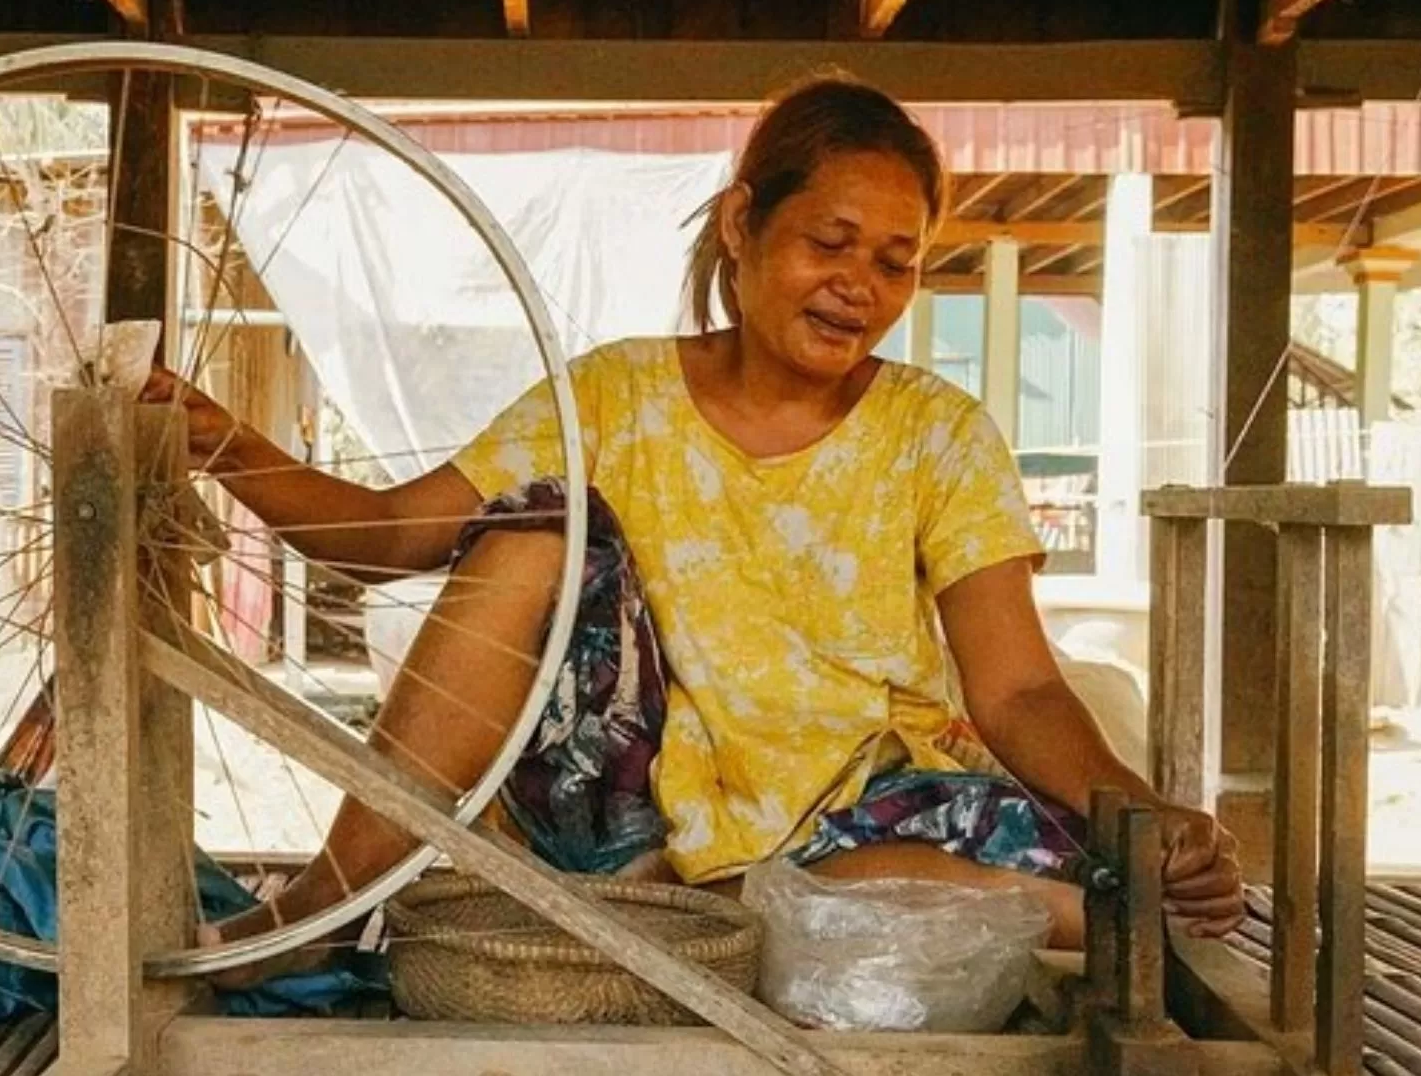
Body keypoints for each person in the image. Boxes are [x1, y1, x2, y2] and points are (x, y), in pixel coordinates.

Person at [144, 70, 1245, 987]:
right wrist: (221, 438)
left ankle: (763, 904)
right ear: (741, 224)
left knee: (1112, 900)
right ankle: (332, 903)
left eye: (895, 262)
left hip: (861, 819)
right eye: (832, 241)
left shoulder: (938, 433)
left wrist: (1142, 821)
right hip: (632, 811)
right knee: (532, 531)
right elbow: (384, 538)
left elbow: (1016, 691)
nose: (859, 286)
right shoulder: (616, 396)